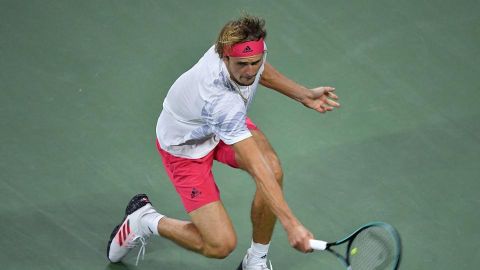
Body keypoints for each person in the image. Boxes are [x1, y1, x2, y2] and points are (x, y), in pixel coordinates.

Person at [107, 14, 339, 269]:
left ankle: (256, 260)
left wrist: (303, 95)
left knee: (273, 167)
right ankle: (144, 220)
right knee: (220, 245)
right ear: (224, 56)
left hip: (220, 128)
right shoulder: (219, 99)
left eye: (255, 61)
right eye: (242, 64)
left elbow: (262, 71)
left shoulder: (248, 49)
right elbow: (255, 166)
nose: (250, 71)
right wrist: (291, 224)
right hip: (185, 148)